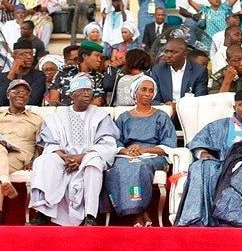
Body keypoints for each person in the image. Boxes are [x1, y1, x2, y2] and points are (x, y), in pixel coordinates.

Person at [174, 89, 242, 227]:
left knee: (237, 172)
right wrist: (203, 153)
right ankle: (194, 219)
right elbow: (197, 142)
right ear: (234, 107)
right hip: (218, 162)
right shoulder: (219, 125)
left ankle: (228, 218)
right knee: (199, 166)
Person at [28, 74, 119, 226]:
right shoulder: (57, 116)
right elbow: (50, 143)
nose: (87, 93)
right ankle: (42, 211)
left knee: (94, 163)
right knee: (43, 161)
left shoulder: (101, 115)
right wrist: (64, 157)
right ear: (71, 95)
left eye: (89, 90)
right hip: (63, 159)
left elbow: (107, 143)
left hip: (88, 157)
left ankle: (90, 216)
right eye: (82, 90)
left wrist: (81, 157)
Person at [104, 75, 176, 226]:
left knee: (139, 166)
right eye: (143, 90)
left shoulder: (161, 117)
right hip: (127, 155)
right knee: (116, 168)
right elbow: (114, 140)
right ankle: (140, 212)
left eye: (151, 91)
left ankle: (137, 211)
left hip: (153, 155)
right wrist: (126, 150)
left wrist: (143, 150)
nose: (147, 94)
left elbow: (169, 144)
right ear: (135, 92)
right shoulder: (124, 118)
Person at [0, 79, 42, 217]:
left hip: (19, 155)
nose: (21, 94)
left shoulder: (36, 119)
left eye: (25, 93)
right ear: (7, 95)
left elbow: (42, 145)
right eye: (16, 91)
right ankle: (4, 181)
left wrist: (35, 161)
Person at [150, 37, 209, 106]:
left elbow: (199, 98)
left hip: (189, 111)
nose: (168, 55)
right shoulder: (158, 70)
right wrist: (167, 107)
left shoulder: (199, 71)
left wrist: (177, 106)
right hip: (165, 111)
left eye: (173, 52)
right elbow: (155, 98)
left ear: (185, 55)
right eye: (166, 51)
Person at [48, 41, 106, 107]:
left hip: (87, 113)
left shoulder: (99, 77)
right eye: (97, 56)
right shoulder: (65, 72)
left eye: (100, 57)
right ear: (85, 56)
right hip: (62, 112)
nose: (99, 60)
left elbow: (98, 101)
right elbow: (54, 97)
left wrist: (77, 111)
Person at [0, 39, 45, 105]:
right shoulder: (2, 77)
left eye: (31, 53)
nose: (29, 57)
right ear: (14, 56)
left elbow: (32, 101)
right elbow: (1, 101)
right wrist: (12, 73)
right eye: (23, 54)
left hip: (29, 114)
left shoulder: (38, 76)